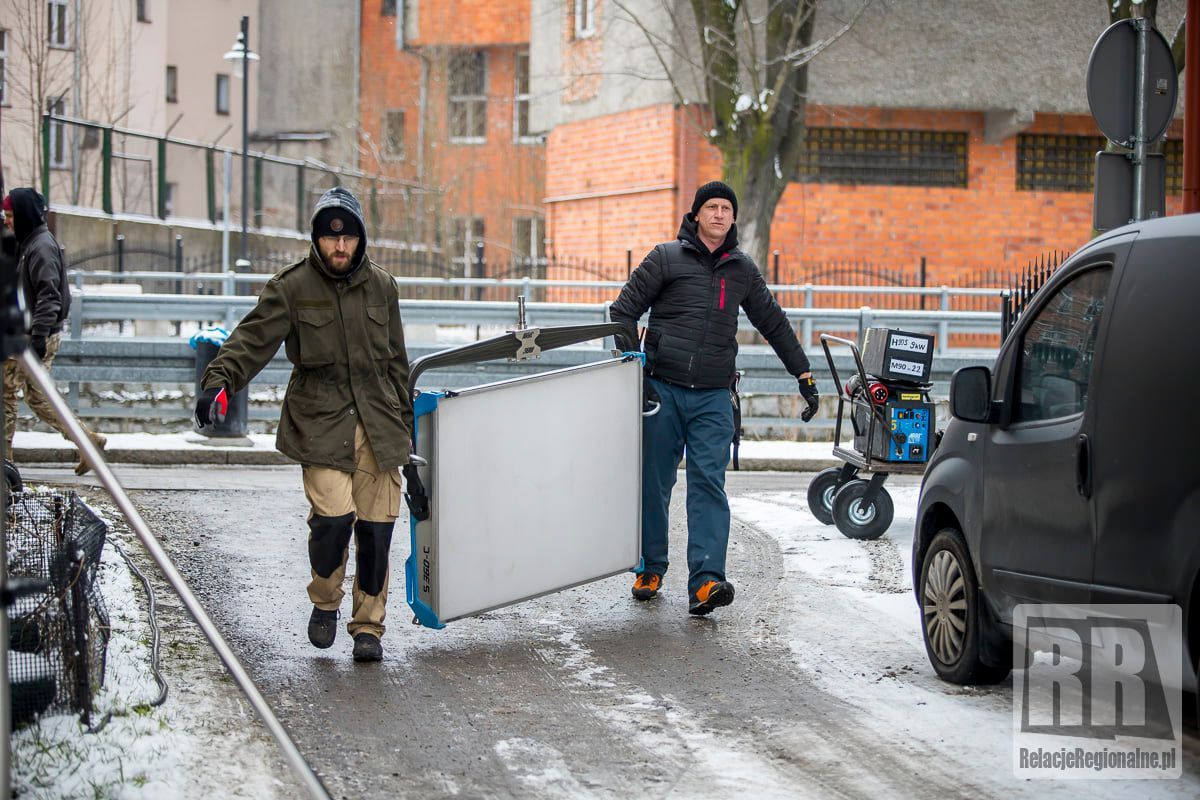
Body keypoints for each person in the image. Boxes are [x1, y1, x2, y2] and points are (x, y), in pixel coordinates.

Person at [195, 187, 413, 663]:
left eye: (349, 238)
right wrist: (218, 382)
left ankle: (368, 628)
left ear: (361, 240)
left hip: (378, 423)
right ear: (316, 240)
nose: (340, 248)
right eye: (330, 239)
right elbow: (249, 340)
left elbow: (398, 364)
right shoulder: (291, 287)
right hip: (321, 422)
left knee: (377, 534)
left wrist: (407, 433)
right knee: (333, 521)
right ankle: (325, 600)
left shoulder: (383, 287)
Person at [610, 181, 820, 616]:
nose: (720, 214)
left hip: (712, 397)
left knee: (709, 484)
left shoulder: (741, 270)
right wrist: (636, 370)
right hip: (662, 391)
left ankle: (706, 582)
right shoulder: (666, 258)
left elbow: (774, 323)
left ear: (733, 217)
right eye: (712, 207)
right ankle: (650, 568)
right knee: (655, 484)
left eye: (727, 208)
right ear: (697, 214)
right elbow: (623, 310)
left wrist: (802, 372)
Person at [2, 188, 107, 475]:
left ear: (22, 215)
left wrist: (38, 335)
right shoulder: (31, 242)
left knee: (4, 396)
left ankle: (5, 466)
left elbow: (50, 295)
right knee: (37, 397)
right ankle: (87, 441)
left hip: (32, 336)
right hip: (35, 332)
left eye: (10, 216)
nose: (7, 221)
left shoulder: (40, 247)